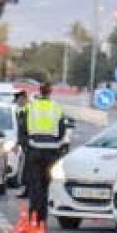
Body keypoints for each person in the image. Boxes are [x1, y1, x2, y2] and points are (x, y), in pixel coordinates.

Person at [23, 81, 67, 224]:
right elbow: (62, 131)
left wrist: (27, 143)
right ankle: (42, 218)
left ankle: (33, 216)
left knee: (35, 185)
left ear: (39, 91)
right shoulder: (56, 108)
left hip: (35, 149)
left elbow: (23, 128)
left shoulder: (31, 107)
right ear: (50, 92)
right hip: (51, 152)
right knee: (45, 185)